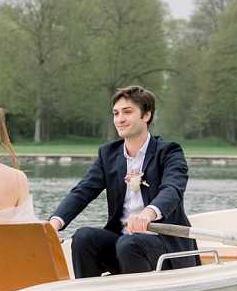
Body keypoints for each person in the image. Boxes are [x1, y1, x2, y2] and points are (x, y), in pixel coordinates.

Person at [49, 85, 199, 278]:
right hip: (123, 242)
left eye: (127, 112)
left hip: (165, 245)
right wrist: (53, 224)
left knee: (130, 243)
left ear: (146, 116)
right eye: (116, 113)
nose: (119, 119)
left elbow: (172, 190)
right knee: (83, 237)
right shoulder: (108, 154)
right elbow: (82, 192)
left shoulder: (169, 152)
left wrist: (148, 213)